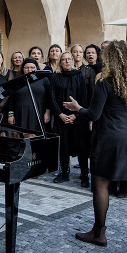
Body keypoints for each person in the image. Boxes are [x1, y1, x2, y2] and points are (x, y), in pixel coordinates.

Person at [63, 40, 127, 253]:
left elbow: (93, 115)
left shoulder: (106, 83)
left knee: (100, 183)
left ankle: (98, 233)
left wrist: (77, 108)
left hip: (111, 139)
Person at [49, 52, 90, 185]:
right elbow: (52, 98)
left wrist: (76, 115)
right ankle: (64, 173)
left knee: (81, 147)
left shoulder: (81, 77)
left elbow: (85, 99)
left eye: (69, 59)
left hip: (78, 119)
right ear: (60, 62)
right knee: (63, 147)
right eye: (64, 60)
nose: (66, 62)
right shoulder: (55, 78)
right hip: (61, 118)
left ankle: (84, 175)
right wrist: (60, 115)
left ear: (73, 61)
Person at [7, 58, 51, 138]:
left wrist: (47, 112)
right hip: (20, 113)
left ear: (36, 68)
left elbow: (49, 97)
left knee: (34, 136)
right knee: (19, 136)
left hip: (37, 112)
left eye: (32, 67)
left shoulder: (43, 79)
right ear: (23, 68)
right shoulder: (18, 80)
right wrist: (11, 115)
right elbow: (11, 99)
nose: (29, 70)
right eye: (26, 68)